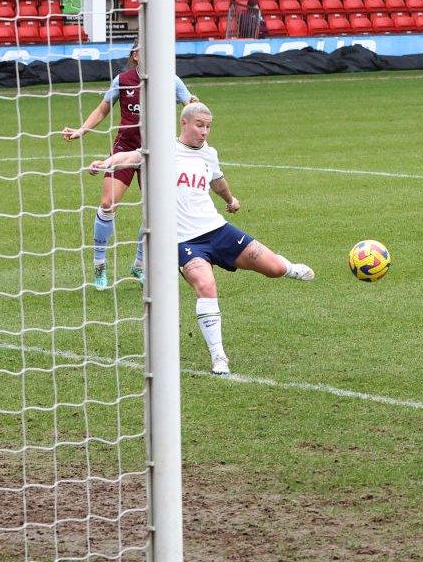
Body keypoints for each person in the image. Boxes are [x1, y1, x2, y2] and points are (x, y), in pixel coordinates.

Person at [88, 102, 315, 375]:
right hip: (184, 242)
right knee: (206, 286)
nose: (205, 131)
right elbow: (129, 157)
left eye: (208, 126)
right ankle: (219, 357)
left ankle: (291, 268)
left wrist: (230, 199)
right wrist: (106, 163)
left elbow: (217, 180)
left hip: (218, 230)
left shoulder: (209, 154)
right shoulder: (163, 149)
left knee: (275, 269)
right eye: (199, 125)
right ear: (184, 123)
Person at [62, 38, 195, 290]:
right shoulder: (122, 80)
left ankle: (139, 264)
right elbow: (102, 110)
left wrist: (193, 106)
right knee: (107, 203)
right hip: (125, 148)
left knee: (155, 212)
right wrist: (81, 130)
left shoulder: (171, 80)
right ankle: (99, 265)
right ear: (136, 55)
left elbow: (190, 106)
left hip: (157, 153)